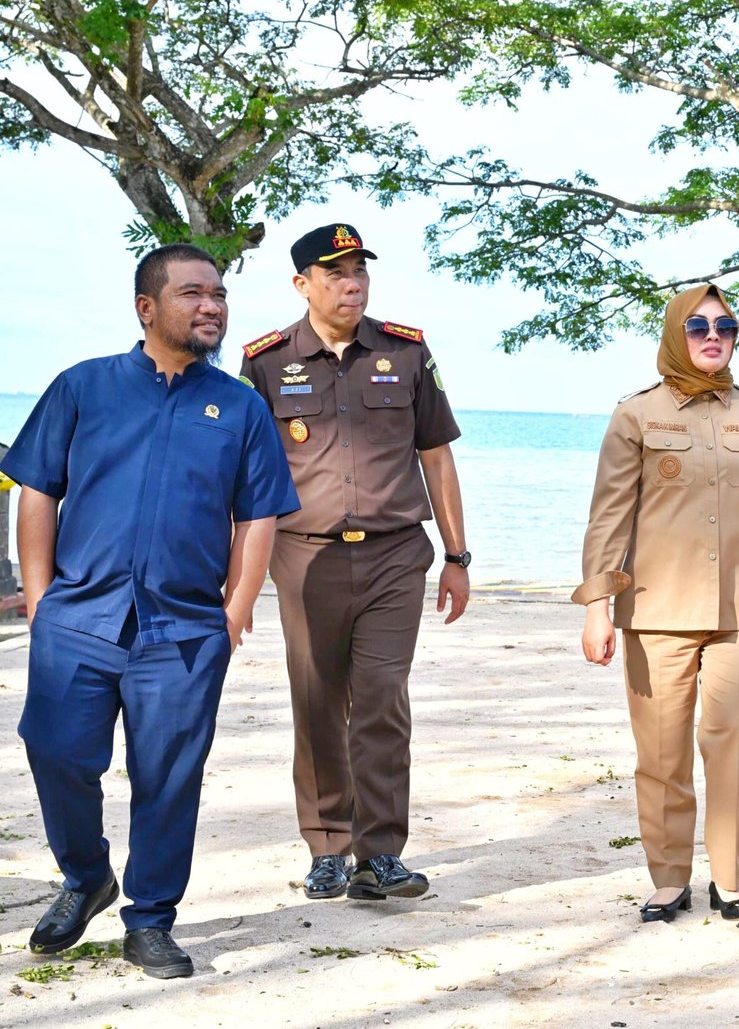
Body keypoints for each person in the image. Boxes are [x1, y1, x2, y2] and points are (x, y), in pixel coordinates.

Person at [8, 244, 298, 978]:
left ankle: (151, 919)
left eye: (219, 294)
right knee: (56, 751)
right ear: (147, 307)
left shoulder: (240, 406)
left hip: (185, 630)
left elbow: (258, 514)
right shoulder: (83, 387)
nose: (212, 306)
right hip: (78, 617)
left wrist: (235, 609)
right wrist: (40, 601)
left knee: (168, 777)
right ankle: (86, 876)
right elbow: (38, 490)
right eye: (193, 293)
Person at [239, 224, 470, 903]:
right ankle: (327, 846)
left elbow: (436, 457)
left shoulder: (406, 352)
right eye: (335, 272)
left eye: (359, 271)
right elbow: (242, 476)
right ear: (302, 283)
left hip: (395, 556)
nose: (352, 284)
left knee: (381, 698)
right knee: (316, 701)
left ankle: (381, 854)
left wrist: (457, 555)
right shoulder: (265, 363)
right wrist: (237, 579)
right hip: (303, 557)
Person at [576, 284, 739, 925]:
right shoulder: (635, 416)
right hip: (656, 613)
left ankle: (729, 879)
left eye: (726, 326)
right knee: (661, 754)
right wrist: (597, 605)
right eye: (699, 326)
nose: (714, 336)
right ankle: (668, 880)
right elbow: (608, 517)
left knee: (732, 740)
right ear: (675, 333)